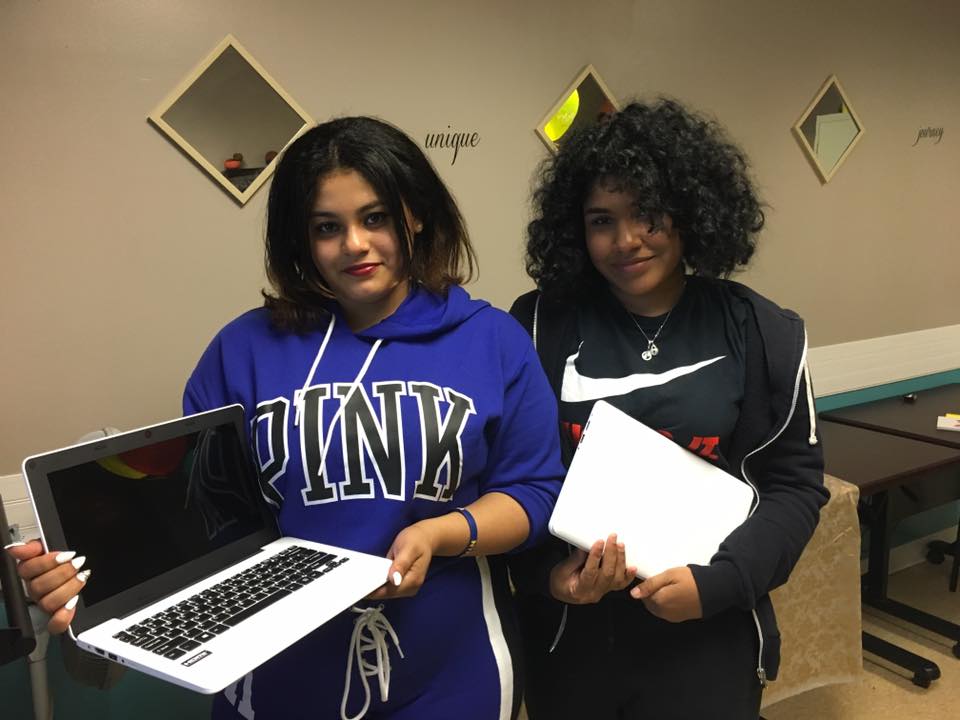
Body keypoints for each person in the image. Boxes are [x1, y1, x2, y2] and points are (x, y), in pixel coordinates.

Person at [8, 116, 565, 720]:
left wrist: (441, 534)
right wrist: (85, 573)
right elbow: (202, 513)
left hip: (448, 673)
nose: (354, 244)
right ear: (300, 238)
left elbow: (533, 493)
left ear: (416, 215)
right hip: (274, 677)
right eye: (327, 227)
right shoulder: (242, 350)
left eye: (375, 217)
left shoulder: (492, 340)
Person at [507, 99, 829, 720]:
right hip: (572, 637)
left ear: (689, 213)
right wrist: (549, 576)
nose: (626, 240)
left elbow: (793, 484)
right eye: (602, 220)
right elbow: (512, 475)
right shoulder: (538, 325)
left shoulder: (762, 331)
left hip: (708, 632)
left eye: (647, 214)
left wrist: (722, 583)